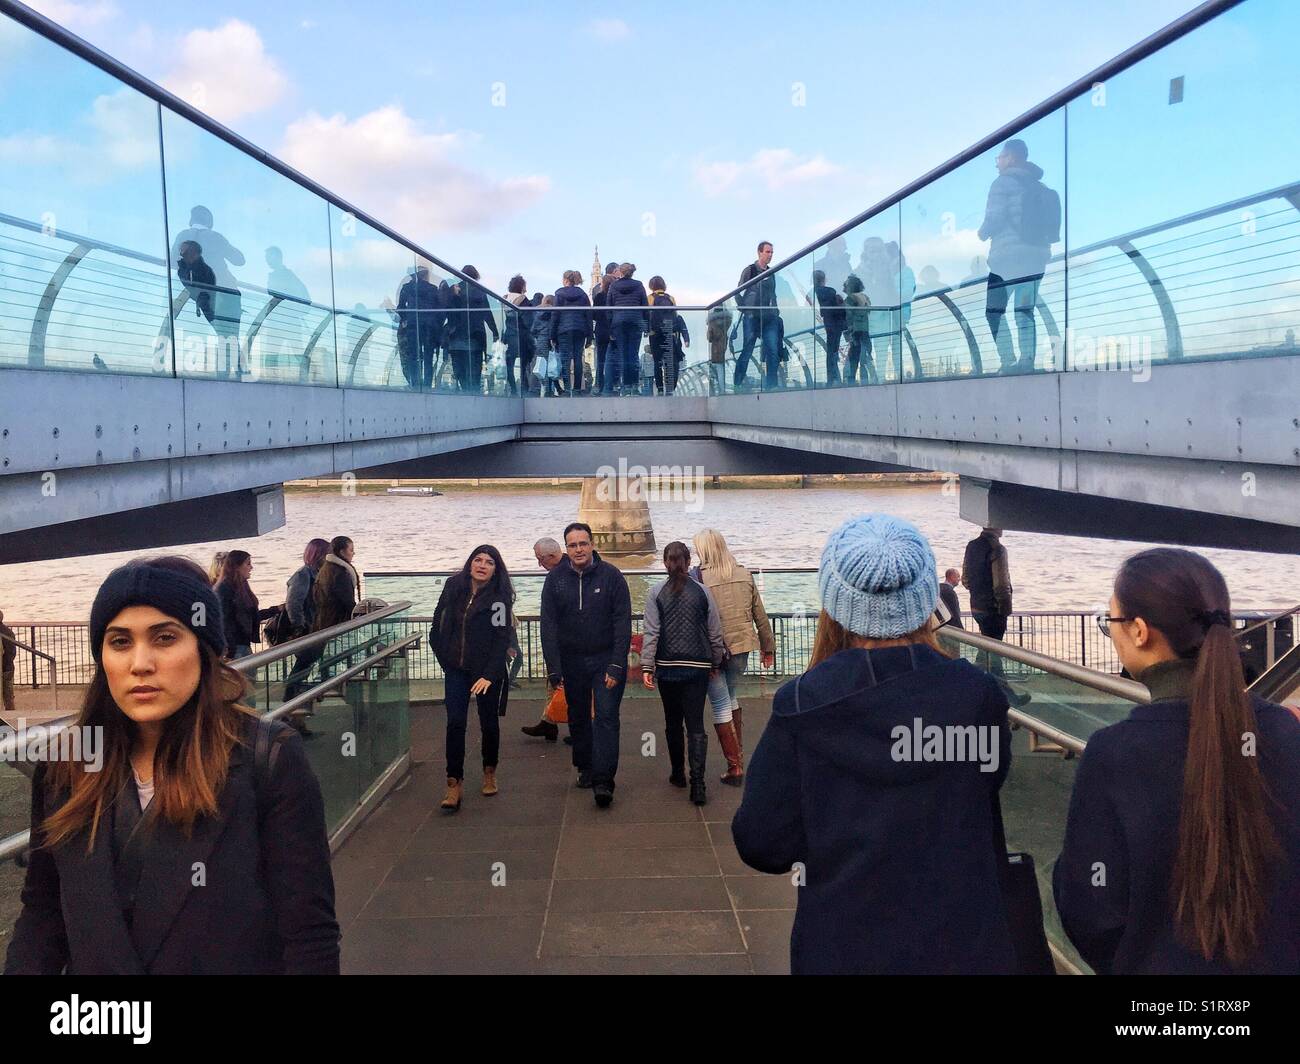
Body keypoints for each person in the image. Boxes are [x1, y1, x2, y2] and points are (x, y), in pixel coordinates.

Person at [4, 556, 339, 974]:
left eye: (164, 638)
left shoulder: (266, 759)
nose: (140, 663)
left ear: (203, 651)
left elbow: (308, 934)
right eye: (120, 641)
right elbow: (44, 913)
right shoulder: (67, 766)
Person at [732, 515, 1015, 975]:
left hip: (845, 945)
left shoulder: (802, 705)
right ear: (926, 598)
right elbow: (986, 785)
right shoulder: (976, 695)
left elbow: (762, 843)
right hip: (964, 944)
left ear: (836, 603)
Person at [1054, 548, 1300, 974]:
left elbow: (1090, 905)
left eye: (1108, 622)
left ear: (1139, 631)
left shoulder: (1114, 753)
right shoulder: (1285, 732)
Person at [540, 523, 631, 807]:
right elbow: (549, 625)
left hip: (605, 659)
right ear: (566, 549)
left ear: (592, 544)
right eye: (572, 545)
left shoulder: (612, 576)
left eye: (583, 543)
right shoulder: (555, 579)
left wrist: (617, 664)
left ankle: (604, 780)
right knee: (578, 717)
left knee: (605, 717)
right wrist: (554, 667)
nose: (578, 549)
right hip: (571, 661)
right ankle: (586, 767)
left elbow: (622, 623)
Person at [429, 545, 514, 812]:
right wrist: (444, 659)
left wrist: (489, 674)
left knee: (488, 724)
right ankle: (453, 782)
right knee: (455, 723)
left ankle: (489, 770)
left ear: (495, 569)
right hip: (455, 668)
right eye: (477, 560)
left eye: (489, 562)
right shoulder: (453, 587)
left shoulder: (500, 598)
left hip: (487, 671)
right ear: (470, 564)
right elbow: (437, 623)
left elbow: (502, 639)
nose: (482, 565)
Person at [642, 542, 726, 805]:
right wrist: (715, 661)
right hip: (698, 667)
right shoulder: (702, 592)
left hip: (667, 668)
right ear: (688, 562)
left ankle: (678, 773)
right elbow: (715, 632)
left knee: (672, 722)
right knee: (696, 724)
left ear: (665, 563)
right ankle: (698, 784)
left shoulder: (656, 592)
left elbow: (652, 632)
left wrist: (647, 665)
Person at [690, 529, 775, 785]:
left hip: (715, 652)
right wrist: (767, 647)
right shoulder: (744, 573)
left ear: (703, 550)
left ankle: (735, 766)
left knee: (719, 703)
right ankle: (739, 758)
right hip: (742, 647)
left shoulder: (699, 578)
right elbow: (760, 615)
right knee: (731, 695)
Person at [977, 138, 1058, 374]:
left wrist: (982, 233)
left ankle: (1008, 361)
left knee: (993, 311)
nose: (997, 163)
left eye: (999, 158)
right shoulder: (1039, 186)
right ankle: (1027, 361)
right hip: (1036, 257)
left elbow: (994, 218)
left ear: (1011, 157)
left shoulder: (1002, 183)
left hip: (1007, 258)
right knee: (1024, 310)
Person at [171, 207, 245, 377]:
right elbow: (240, 260)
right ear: (210, 222)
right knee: (230, 337)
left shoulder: (182, 236)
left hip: (203, 296)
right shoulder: (215, 237)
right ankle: (237, 377)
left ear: (191, 220)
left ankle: (231, 377)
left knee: (224, 336)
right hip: (227, 292)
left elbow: (173, 261)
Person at [521, 538, 567, 741]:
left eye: (540, 559)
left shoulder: (557, 577)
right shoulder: (571, 569)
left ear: (551, 556)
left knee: (563, 684)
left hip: (565, 642)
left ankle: (574, 728)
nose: (540, 564)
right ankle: (548, 722)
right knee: (555, 684)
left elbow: (550, 621)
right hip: (567, 641)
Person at [283, 538, 330, 702]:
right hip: (308, 628)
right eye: (327, 554)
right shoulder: (303, 575)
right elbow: (293, 602)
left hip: (316, 627)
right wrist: (300, 626)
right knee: (304, 663)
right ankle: (291, 697)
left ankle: (297, 696)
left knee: (308, 662)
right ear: (319, 555)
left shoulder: (318, 574)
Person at [214, 550, 278, 660]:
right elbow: (223, 620)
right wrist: (230, 649)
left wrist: (275, 610)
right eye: (248, 563)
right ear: (236, 567)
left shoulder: (240, 587)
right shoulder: (225, 589)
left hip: (242, 644)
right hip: (234, 647)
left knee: (249, 674)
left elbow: (250, 615)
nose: (251, 567)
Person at [734, 241, 781, 390]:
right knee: (748, 349)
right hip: (752, 316)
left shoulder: (771, 272)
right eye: (768, 252)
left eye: (772, 252)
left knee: (772, 349)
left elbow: (773, 294)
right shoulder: (750, 270)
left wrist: (775, 310)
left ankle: (771, 386)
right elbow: (737, 292)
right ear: (759, 253)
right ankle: (738, 383)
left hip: (768, 317)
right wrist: (745, 308)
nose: (770, 255)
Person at [604, 264, 648, 397]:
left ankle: (625, 386)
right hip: (635, 321)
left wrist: (610, 328)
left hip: (619, 322)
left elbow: (609, 307)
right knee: (633, 354)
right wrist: (646, 325)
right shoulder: (639, 285)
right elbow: (644, 306)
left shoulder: (613, 286)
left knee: (622, 354)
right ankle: (634, 386)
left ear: (620, 272)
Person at [396, 265, 442, 390]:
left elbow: (400, 307)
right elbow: (439, 310)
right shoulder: (433, 289)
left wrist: (406, 317)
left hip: (413, 326)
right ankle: (427, 384)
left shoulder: (407, 288)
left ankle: (415, 384)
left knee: (414, 356)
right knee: (428, 356)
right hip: (429, 327)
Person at [552, 270, 593, 396]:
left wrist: (552, 335)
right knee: (578, 359)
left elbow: (555, 315)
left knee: (565, 360)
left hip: (563, 330)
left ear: (565, 280)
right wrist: (590, 336)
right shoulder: (583, 295)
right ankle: (576, 389)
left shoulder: (559, 295)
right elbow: (588, 315)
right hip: (580, 330)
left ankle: (567, 389)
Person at [313, 537, 360, 632]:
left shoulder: (326, 569)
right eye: (351, 550)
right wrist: (357, 615)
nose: (353, 553)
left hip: (323, 620)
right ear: (342, 552)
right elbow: (348, 602)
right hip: (337, 622)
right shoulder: (340, 573)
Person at [808, 269, 846, 386]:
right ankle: (834, 378)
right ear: (824, 280)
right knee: (834, 350)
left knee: (831, 350)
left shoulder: (812, 292)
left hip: (828, 322)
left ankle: (831, 379)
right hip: (837, 322)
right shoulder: (830, 291)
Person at [590, 262, 619, 395]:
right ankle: (612, 385)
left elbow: (594, 314)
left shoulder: (598, 295)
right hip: (613, 330)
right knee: (614, 358)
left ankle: (600, 385)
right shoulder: (615, 296)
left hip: (601, 330)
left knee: (600, 359)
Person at [841, 274, 874, 384]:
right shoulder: (866, 298)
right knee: (865, 359)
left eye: (846, 284)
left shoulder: (850, 299)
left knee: (853, 360)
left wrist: (847, 332)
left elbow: (847, 316)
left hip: (855, 332)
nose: (843, 286)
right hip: (865, 331)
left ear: (851, 286)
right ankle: (868, 381)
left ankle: (851, 382)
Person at [502, 274, 530, 396]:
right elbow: (529, 320)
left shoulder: (504, 299)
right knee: (524, 364)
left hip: (508, 335)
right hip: (522, 335)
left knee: (510, 364)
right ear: (521, 286)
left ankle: (513, 389)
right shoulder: (524, 300)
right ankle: (524, 389)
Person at [531, 295, 559, 396]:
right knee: (552, 365)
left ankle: (540, 389)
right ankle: (550, 390)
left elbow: (533, 329)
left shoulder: (538, 312)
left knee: (541, 366)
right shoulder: (554, 312)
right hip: (551, 340)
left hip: (541, 340)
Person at [705, 303, 734, 395]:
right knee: (730, 368)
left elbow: (709, 338)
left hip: (717, 350)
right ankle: (731, 387)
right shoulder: (729, 320)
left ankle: (721, 390)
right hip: (729, 348)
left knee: (719, 369)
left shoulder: (712, 323)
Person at [0, 609, 16, 718]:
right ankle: (11, 716)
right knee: (9, 696)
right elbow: (12, 652)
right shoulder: (8, 632)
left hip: (5, 666)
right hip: (8, 667)